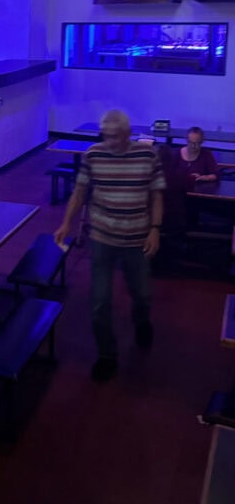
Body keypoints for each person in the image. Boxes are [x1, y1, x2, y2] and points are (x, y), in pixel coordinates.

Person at [54, 109, 165, 383]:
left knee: (142, 294)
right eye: (107, 136)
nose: (111, 142)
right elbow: (79, 192)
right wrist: (67, 223)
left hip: (136, 239)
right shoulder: (93, 155)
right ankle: (107, 354)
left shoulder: (148, 155)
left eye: (116, 137)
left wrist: (155, 229)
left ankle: (141, 321)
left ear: (127, 134)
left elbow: (157, 195)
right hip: (102, 237)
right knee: (99, 302)